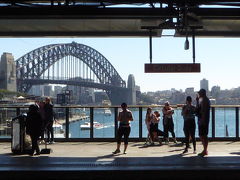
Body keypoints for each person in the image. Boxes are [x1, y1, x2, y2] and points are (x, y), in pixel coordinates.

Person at [196, 89, 210, 157]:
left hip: (203, 120)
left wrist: (203, 120)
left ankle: (205, 150)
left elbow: (203, 111)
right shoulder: (203, 100)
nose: (199, 94)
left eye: (199, 93)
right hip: (203, 119)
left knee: (203, 135)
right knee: (203, 135)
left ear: (202, 93)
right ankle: (205, 150)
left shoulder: (204, 100)